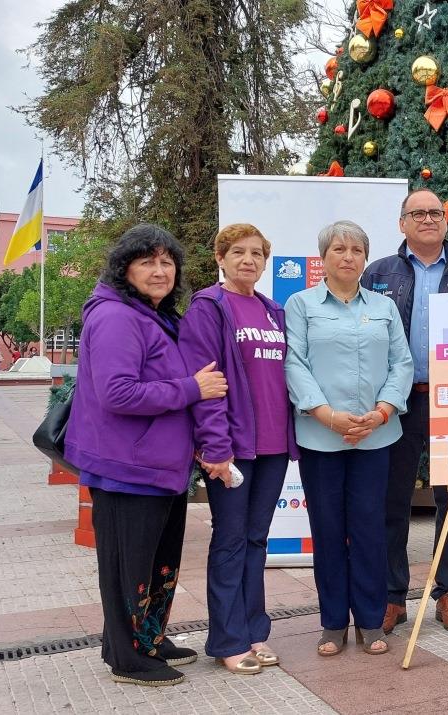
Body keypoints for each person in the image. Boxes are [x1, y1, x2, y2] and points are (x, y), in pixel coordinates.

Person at [64, 224, 228, 686]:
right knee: (125, 568)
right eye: (147, 262)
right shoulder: (117, 317)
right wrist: (191, 388)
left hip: (160, 468)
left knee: (158, 563)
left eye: (166, 262)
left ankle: (149, 638)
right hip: (126, 469)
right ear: (125, 269)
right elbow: (118, 393)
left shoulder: (153, 315)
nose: (160, 271)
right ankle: (126, 656)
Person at [362, 188, 448, 635]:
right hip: (395, 403)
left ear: (446, 220)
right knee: (390, 501)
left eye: (435, 212)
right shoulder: (376, 274)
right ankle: (391, 595)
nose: (427, 219)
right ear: (402, 223)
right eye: (417, 213)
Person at [285, 220, 413, 656]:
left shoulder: (383, 307)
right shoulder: (301, 305)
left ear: (365, 258)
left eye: (356, 250)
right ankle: (333, 623)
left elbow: (403, 363)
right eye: (339, 249)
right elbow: (294, 364)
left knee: (370, 529)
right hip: (321, 437)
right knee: (328, 529)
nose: (348, 256)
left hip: (376, 437)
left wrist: (380, 413)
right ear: (323, 258)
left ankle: (372, 622)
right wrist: (328, 416)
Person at [178, 223, 298, 675]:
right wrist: (215, 448)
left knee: (255, 540)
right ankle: (227, 639)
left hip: (271, 447)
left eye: (257, 254)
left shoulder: (272, 311)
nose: (248, 260)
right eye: (239, 253)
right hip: (232, 449)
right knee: (229, 541)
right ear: (220, 258)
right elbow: (206, 385)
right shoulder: (210, 308)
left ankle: (255, 631)